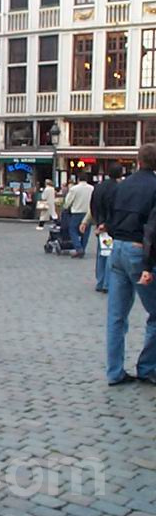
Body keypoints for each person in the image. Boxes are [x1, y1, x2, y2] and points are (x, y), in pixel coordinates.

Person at [105, 144, 156, 386]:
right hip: (138, 249)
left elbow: (108, 215)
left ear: (138, 161)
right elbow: (153, 229)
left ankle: (114, 371)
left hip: (117, 248)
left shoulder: (122, 185)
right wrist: (147, 262)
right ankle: (147, 367)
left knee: (116, 316)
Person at [80, 163, 123, 292]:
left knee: (102, 252)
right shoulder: (118, 188)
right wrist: (107, 224)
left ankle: (100, 281)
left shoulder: (98, 187)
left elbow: (92, 206)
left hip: (100, 223)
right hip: (112, 225)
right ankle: (107, 283)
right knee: (110, 253)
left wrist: (98, 222)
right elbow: (114, 208)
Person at [63, 173, 93, 257]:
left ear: (78, 179)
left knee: (72, 230)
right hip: (88, 213)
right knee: (86, 232)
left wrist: (65, 207)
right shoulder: (92, 188)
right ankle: (82, 248)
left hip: (76, 212)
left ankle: (78, 248)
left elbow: (68, 201)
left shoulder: (74, 189)